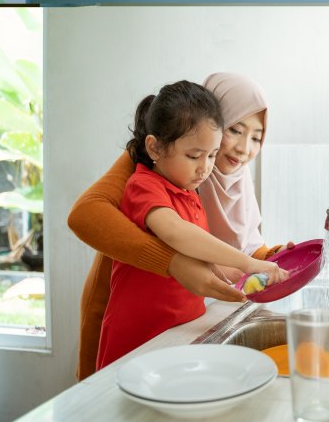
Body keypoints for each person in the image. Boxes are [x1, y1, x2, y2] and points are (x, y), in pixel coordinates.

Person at [68, 72, 292, 379]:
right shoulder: (149, 168)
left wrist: (269, 263)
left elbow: (219, 250)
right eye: (235, 130)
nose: (244, 148)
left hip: (174, 328)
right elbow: (172, 232)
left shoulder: (198, 183)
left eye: (256, 136)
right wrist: (237, 263)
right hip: (130, 321)